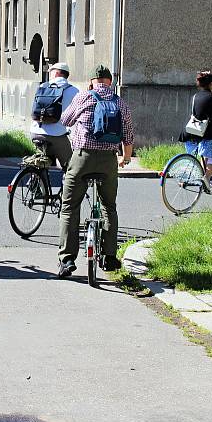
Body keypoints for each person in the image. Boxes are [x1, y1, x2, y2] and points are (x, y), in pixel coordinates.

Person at [57, 64, 134, 278]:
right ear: (110, 81)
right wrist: (125, 158)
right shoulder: (120, 103)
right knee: (109, 207)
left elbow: (65, 120)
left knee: (69, 207)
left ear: (92, 81)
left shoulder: (84, 97)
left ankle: (67, 259)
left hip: (82, 158)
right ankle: (110, 257)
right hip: (108, 161)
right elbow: (128, 136)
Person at [29, 62, 79, 171]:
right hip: (57, 135)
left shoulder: (42, 87)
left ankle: (35, 178)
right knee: (71, 168)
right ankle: (65, 187)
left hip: (35, 133)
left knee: (41, 161)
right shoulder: (74, 91)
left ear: (56, 73)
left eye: (50, 73)